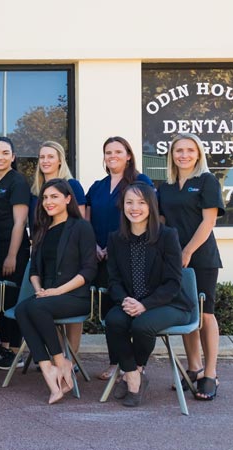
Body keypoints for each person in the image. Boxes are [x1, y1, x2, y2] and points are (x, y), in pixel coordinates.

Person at [15, 179, 97, 404]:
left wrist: (57, 291)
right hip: (47, 295)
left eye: (54, 197)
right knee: (23, 309)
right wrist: (40, 289)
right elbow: (33, 269)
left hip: (74, 296)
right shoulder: (42, 230)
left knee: (36, 307)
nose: (48, 202)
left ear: (68, 199)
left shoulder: (81, 227)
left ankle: (61, 363)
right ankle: (48, 370)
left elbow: (89, 270)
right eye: (45, 198)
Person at [105, 182, 187, 407]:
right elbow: (113, 280)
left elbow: (173, 283)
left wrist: (145, 305)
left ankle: (135, 372)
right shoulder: (116, 239)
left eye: (141, 202)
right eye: (129, 202)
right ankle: (133, 374)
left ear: (151, 206)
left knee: (142, 325)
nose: (135, 208)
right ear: (122, 207)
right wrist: (126, 301)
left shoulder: (167, 236)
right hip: (130, 301)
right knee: (114, 320)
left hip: (168, 303)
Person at [158, 133, 224, 401]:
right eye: (178, 150)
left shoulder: (207, 181)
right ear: (171, 155)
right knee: (188, 313)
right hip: (175, 259)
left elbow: (208, 222)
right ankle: (194, 369)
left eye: (189, 150)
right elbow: (161, 221)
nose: (184, 155)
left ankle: (210, 374)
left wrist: (187, 250)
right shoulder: (165, 187)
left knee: (205, 314)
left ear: (198, 154)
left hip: (202, 257)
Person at [85, 136, 153, 380]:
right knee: (110, 312)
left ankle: (136, 364)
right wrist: (94, 245)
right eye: (107, 152)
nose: (112, 156)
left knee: (132, 310)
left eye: (117, 151)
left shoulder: (141, 181)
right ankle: (116, 362)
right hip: (101, 257)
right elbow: (87, 219)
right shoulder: (97, 186)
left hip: (132, 257)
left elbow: (149, 216)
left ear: (128, 155)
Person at [0, 137, 30, 371]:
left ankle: (15, 351)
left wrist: (12, 255)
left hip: (13, 247)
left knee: (12, 297)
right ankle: (3, 345)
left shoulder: (18, 181)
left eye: (5, 153)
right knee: (0, 296)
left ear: (13, 156)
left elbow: (19, 222)